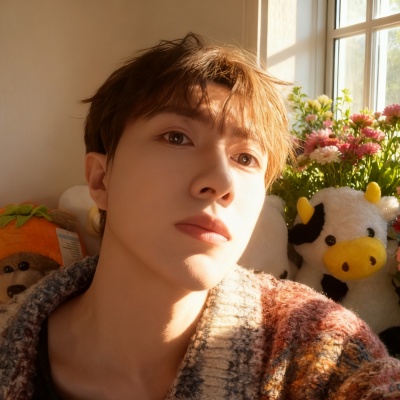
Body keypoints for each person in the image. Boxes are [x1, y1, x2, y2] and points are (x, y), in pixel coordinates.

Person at [0, 33, 399, 400]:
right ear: (101, 179)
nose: (221, 182)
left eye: (246, 158)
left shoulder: (317, 344)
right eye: (177, 137)